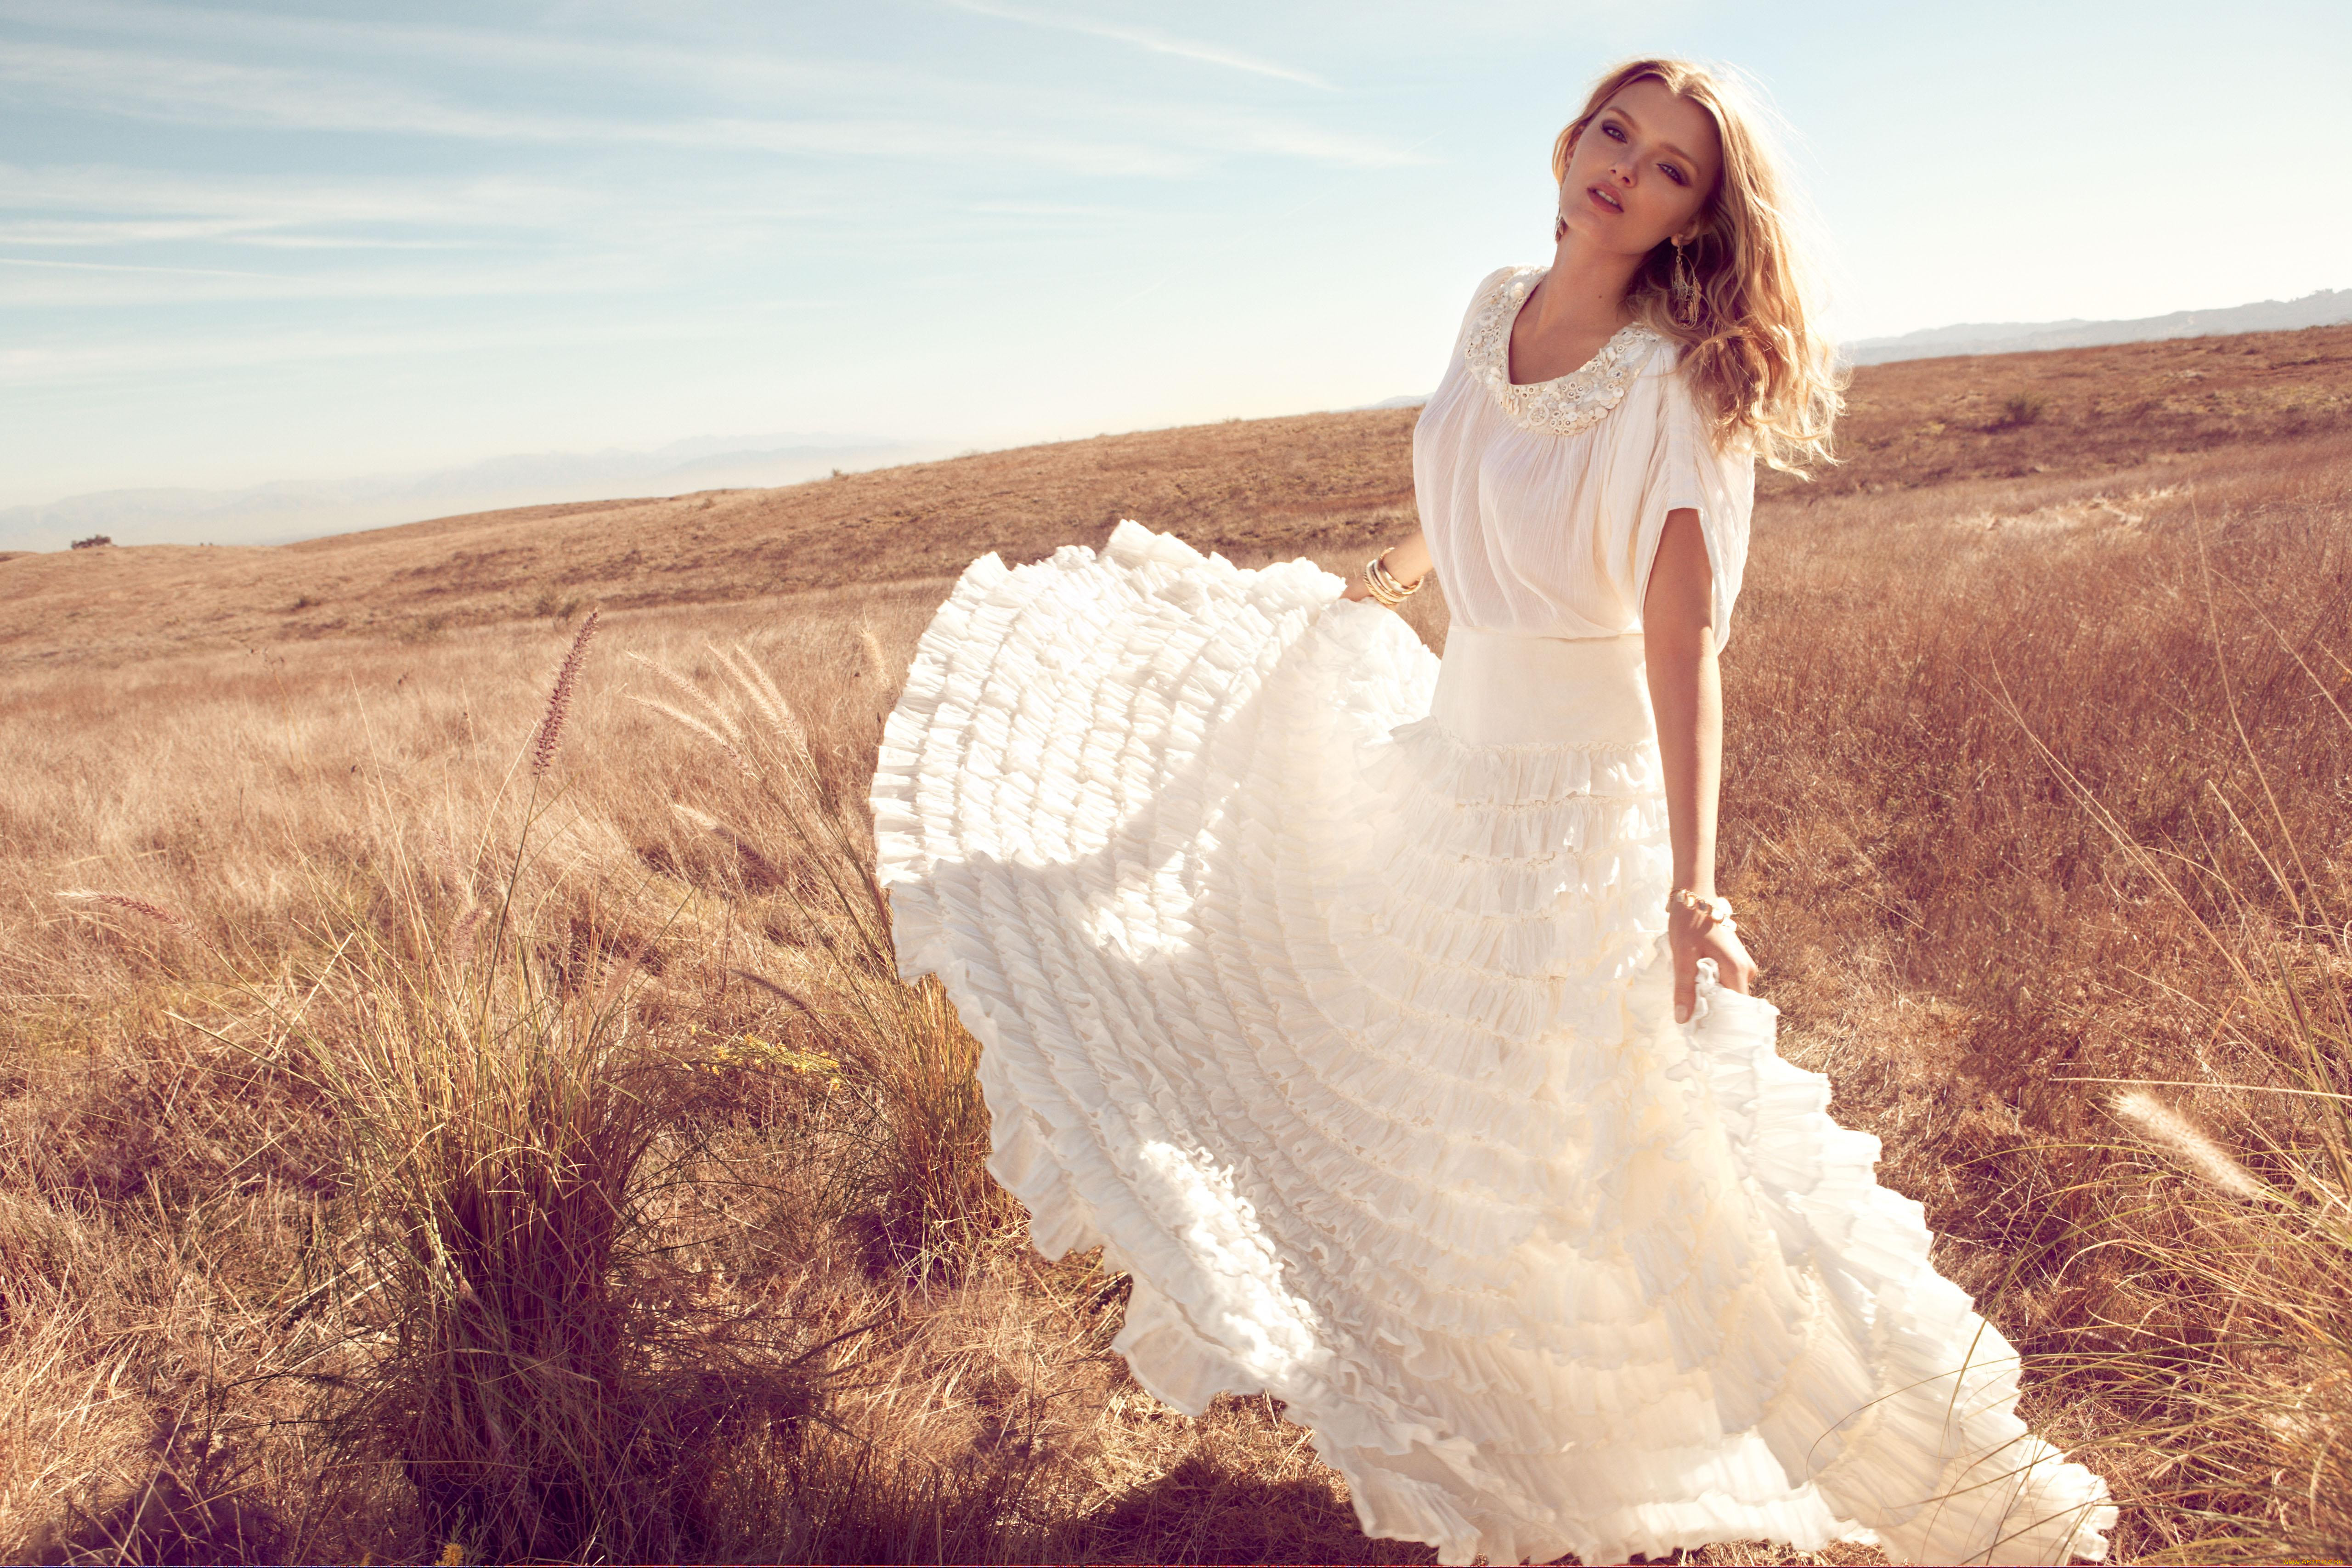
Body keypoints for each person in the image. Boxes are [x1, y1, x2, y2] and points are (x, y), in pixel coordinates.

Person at [869, 55, 2116, 1567]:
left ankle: (1856, 1473)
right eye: (1617, 134)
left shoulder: (1673, 388)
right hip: (1449, 759)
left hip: (1567, 815)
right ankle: (1491, 1445)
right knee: (1427, 1127)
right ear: (1569, 138)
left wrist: (1694, 887)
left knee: (1606, 1165)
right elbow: (1478, 472)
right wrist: (1380, 585)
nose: (1627, 172)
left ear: (1691, 220)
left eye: (1670, 169)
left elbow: (1684, 644)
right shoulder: (1488, 310)